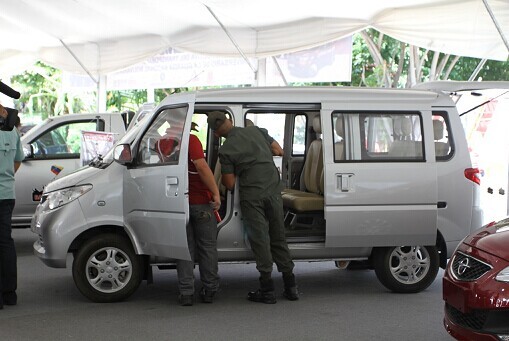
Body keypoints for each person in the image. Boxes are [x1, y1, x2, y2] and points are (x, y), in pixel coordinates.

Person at [207, 111, 299, 304]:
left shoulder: (226, 150)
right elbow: (279, 151)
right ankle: (291, 287)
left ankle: (267, 290)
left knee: (260, 240)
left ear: (216, 134)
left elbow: (230, 184)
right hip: (273, 192)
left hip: (252, 197)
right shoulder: (257, 131)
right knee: (278, 237)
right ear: (229, 120)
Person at [174, 122, 221, 306]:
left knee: (185, 249)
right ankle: (210, 290)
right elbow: (201, 167)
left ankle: (186, 293)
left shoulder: (164, 143)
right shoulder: (190, 140)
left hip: (178, 204)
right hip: (200, 202)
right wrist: (216, 193)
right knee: (207, 248)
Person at [0, 103, 24, 310]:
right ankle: (9, 294)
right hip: (7, 194)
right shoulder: (13, 132)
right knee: (5, 242)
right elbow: (17, 162)